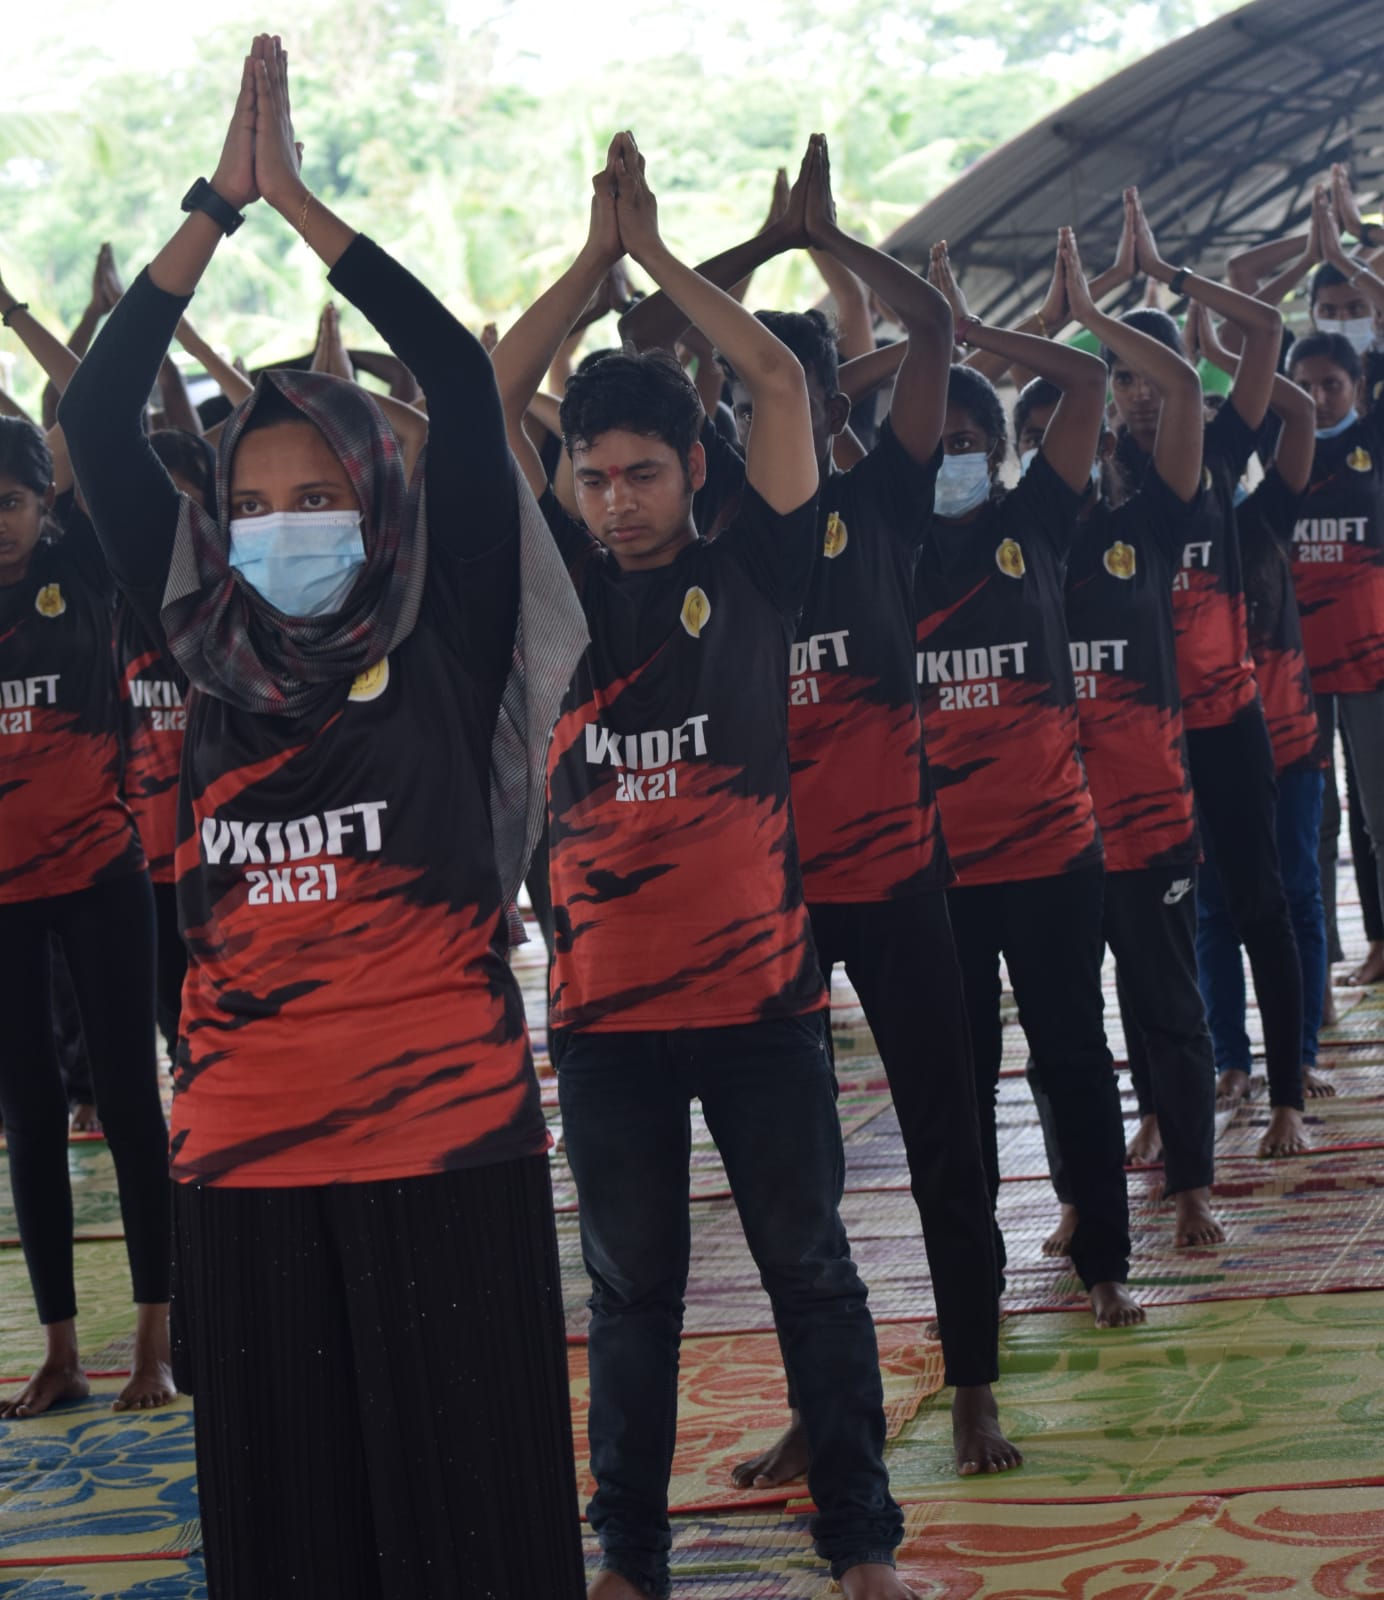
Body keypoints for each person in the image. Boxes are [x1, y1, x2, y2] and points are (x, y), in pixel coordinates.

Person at [59, 37, 588, 1598]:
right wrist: (211, 208)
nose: (283, 529)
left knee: (471, 1523)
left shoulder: (449, 635)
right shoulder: (199, 645)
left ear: (378, 500)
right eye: (254, 506)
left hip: (449, 1142)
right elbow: (97, 413)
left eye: (317, 500)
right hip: (245, 1155)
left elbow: (464, 397)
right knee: (295, 1532)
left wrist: (299, 205)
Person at [493, 131, 915, 1600]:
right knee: (632, 1297)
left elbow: (783, 383)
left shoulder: (755, 571)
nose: (616, 499)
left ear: (691, 474)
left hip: (761, 1008)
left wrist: (660, 260)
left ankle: (860, 1541)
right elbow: (484, 394)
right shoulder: (549, 591)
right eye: (594, 475)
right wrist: (589, 263)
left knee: (812, 1271)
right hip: (604, 1020)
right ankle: (630, 1557)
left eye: (643, 474)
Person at [623, 134, 1016, 1482]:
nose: (759, 419)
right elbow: (644, 334)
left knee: (949, 1146)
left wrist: (826, 239)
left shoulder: (886, 498)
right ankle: (823, 1409)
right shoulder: (724, 534)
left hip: (901, 885)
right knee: (798, 1185)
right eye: (740, 399)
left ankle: (975, 1386)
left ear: (832, 405)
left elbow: (935, 329)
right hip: (772, 903)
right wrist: (741, 250)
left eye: (782, 396)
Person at [914, 245, 1142, 1330]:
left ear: (1002, 453)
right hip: (936, 872)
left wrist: (965, 331)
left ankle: (1105, 1262)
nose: (949, 460)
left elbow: (1087, 380)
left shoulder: (1036, 521)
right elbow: (813, 406)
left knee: (1073, 1060)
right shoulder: (884, 543)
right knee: (956, 1087)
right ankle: (976, 1287)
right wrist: (922, 349)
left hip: (1053, 854)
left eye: (968, 443)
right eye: (934, 443)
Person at [1021, 230, 1223, 1250]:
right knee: (1062, 1036)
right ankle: (1078, 1198)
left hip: (1148, 823)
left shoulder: (1147, 522)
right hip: (1046, 837)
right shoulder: (1004, 551)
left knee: (1168, 1010)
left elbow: (1181, 389)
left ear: (1104, 442)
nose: (1058, 455)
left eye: (1074, 435)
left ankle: (1190, 1187)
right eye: (1037, 442)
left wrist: (1090, 321)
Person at [0, 282, 173, 1423]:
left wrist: (22, 321)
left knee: (130, 1100)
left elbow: (95, 411)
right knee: (26, 1119)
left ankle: (157, 1338)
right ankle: (60, 1349)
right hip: (4, 899)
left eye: (12, 500)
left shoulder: (88, 568)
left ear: (43, 498)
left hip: (106, 877)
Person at [1112, 190, 1306, 1151]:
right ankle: (1156, 1108)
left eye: (1155, 378)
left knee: (1260, 904)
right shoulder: (1088, 481)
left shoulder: (1222, 453)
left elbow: (1265, 331)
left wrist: (1170, 276)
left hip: (1228, 721)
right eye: (1124, 380)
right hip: (1134, 741)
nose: (1141, 396)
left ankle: (1287, 1096)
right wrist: (1080, 309)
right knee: (1142, 929)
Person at [1189, 300, 1334, 1105]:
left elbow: (1301, 412)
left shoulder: (1267, 513)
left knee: (1295, 898)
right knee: (1215, 909)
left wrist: (1221, 357)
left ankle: (1298, 1052)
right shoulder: (1163, 530)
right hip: (1211, 741)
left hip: (1291, 741)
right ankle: (1231, 1061)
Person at [1285, 188, 1384, 1002]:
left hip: (1374, 661)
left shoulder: (1374, 437)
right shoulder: (1277, 448)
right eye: (1305, 385)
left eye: (1332, 385)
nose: (1318, 398)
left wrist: (1347, 253)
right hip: (1296, 669)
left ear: (1357, 384)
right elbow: (1239, 327)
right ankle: (1314, 972)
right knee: (1312, 823)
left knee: (1379, 814)